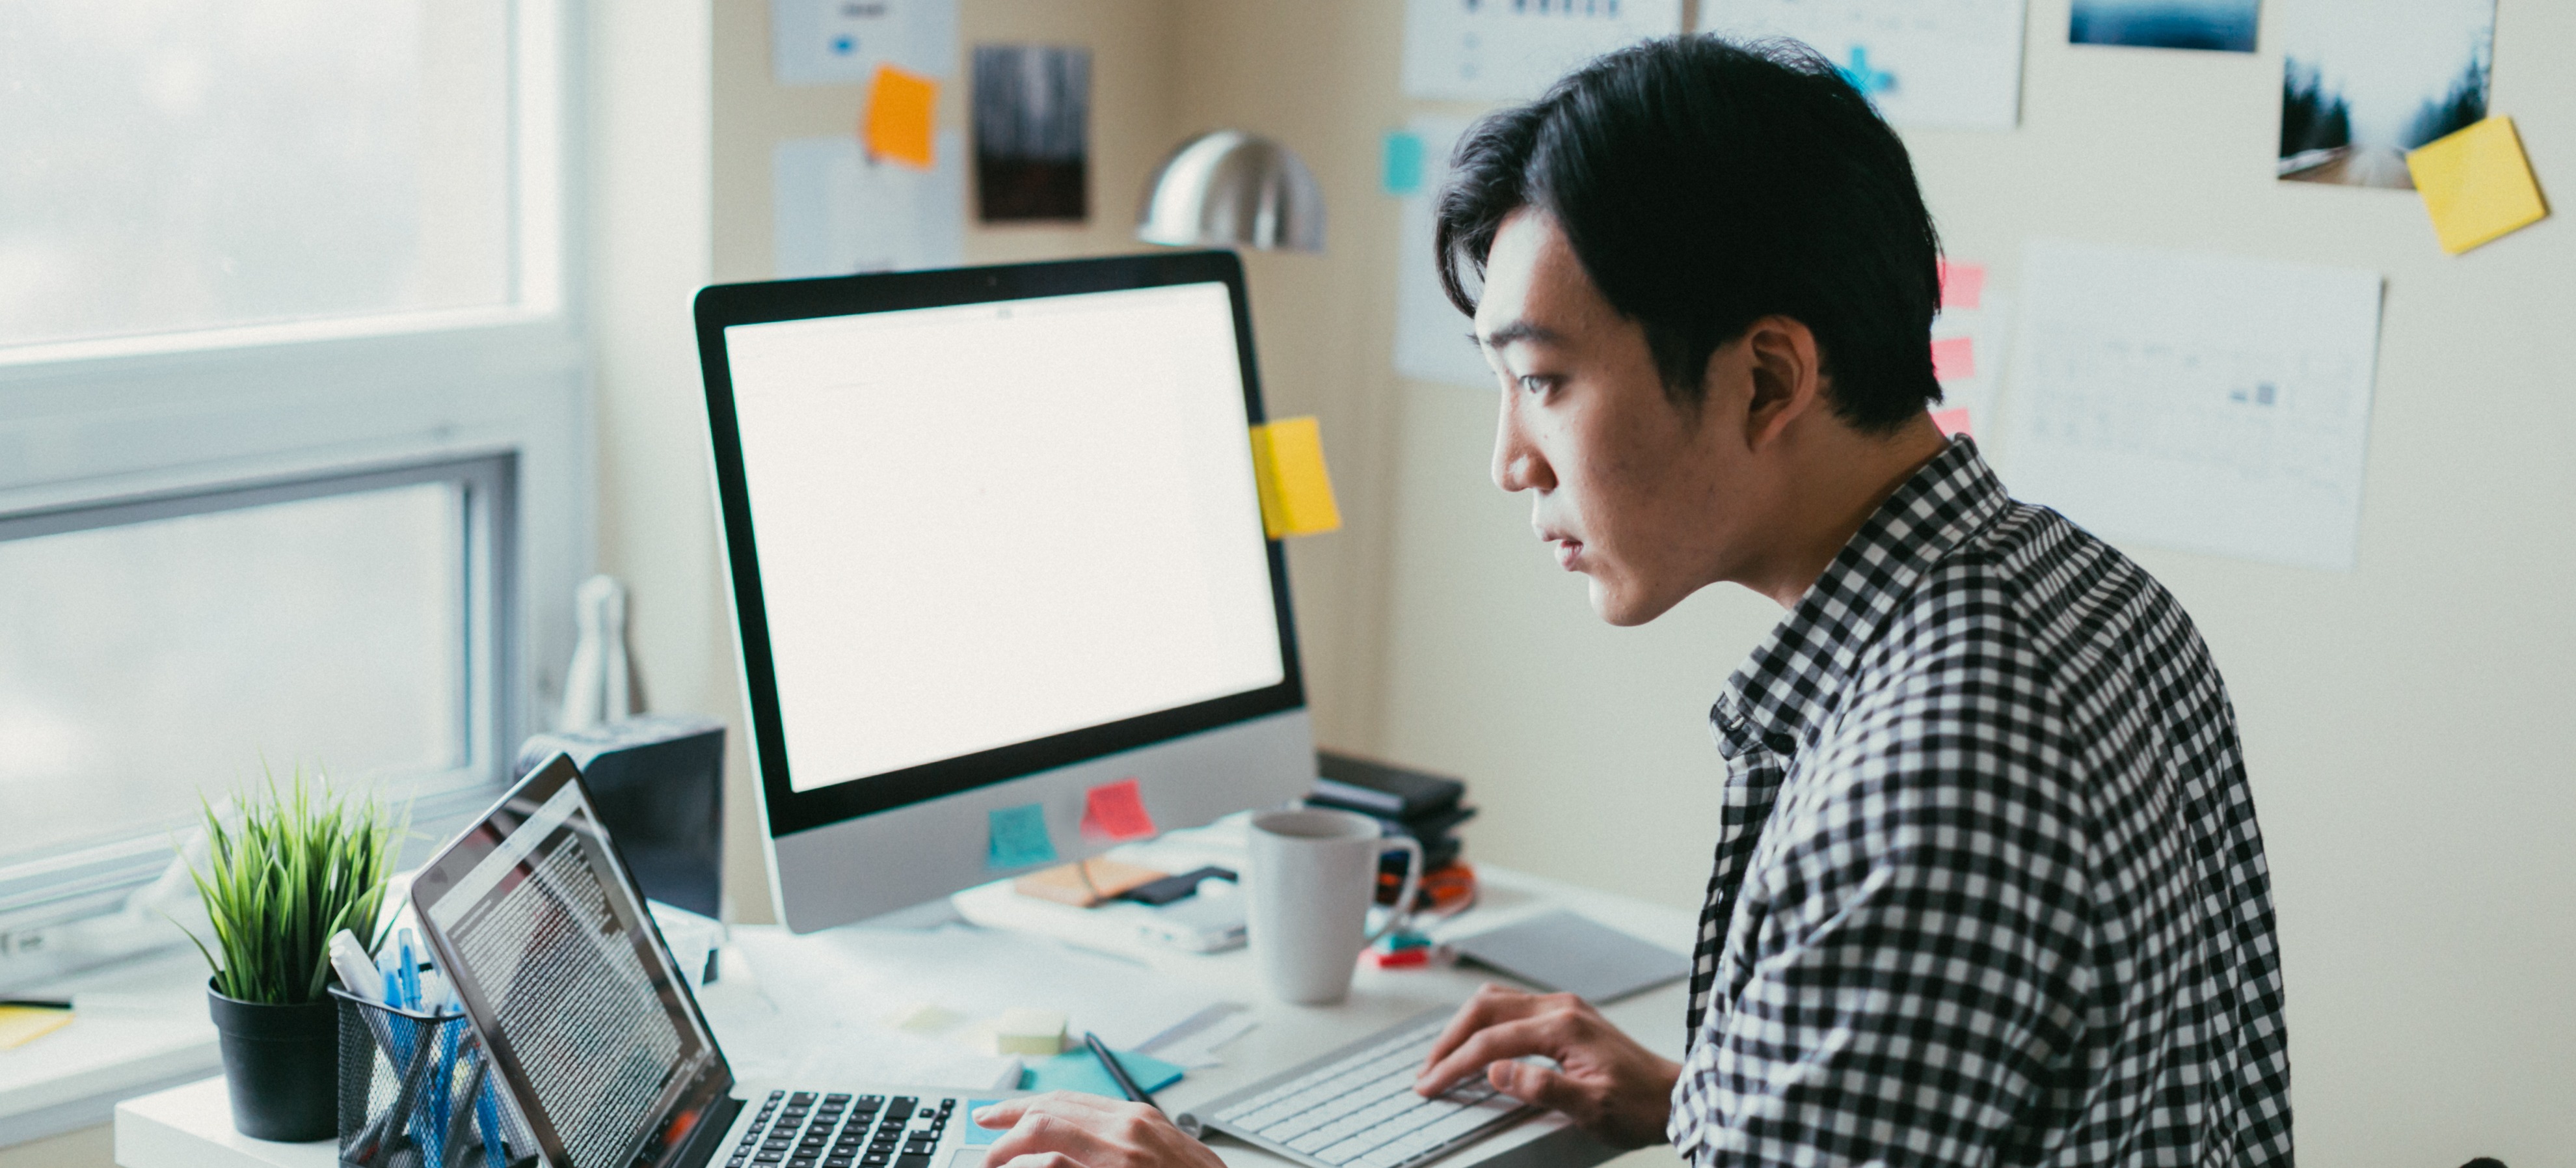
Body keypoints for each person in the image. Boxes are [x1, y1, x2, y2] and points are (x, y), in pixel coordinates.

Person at [971, 34, 2292, 1168]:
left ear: (1768, 380)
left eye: (1543, 381)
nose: (1510, 460)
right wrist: (1714, 1100)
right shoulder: (2091, 595)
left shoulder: (1920, 778)